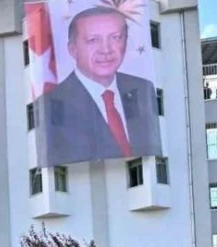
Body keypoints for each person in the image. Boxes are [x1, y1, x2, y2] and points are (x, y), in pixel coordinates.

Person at [35, 6, 162, 167]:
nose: (106, 50)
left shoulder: (142, 88)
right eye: (93, 40)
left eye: (115, 37)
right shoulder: (52, 103)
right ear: (72, 49)